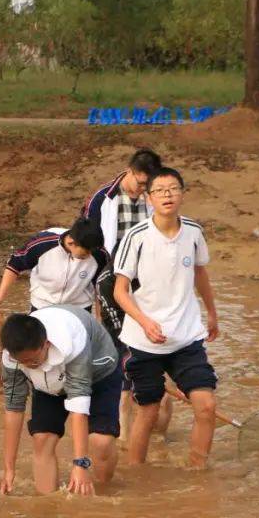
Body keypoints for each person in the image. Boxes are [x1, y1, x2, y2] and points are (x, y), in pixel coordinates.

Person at [113, 167, 220, 468]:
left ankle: (197, 474)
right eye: (160, 190)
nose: (167, 195)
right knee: (147, 410)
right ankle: (137, 475)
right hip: (143, 340)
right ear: (149, 199)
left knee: (206, 406)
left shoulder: (194, 232)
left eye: (173, 188)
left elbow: (200, 273)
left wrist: (212, 313)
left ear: (182, 194)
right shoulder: (136, 237)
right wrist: (145, 322)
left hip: (186, 337)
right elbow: (120, 291)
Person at [82, 147, 173, 439]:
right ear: (129, 171)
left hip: (145, 280)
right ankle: (119, 424)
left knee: (151, 341)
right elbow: (89, 245)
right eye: (140, 182)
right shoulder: (103, 199)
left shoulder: (155, 200)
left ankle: (155, 429)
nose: (143, 190)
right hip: (109, 280)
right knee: (117, 343)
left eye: (150, 185)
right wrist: (95, 297)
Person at [0, 307, 123, 497]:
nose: (27, 366)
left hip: (98, 374)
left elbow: (78, 408)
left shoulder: (73, 341)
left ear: (46, 344)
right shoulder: (12, 357)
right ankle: (47, 508)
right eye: (21, 362)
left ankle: (103, 495)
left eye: (32, 361)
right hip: (48, 384)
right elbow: (13, 409)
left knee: (101, 442)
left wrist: (80, 463)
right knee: (42, 439)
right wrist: (9, 469)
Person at [0, 217, 108, 313]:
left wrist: (99, 321)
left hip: (79, 308)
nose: (89, 255)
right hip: (42, 305)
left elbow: (100, 289)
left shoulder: (98, 254)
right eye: (86, 251)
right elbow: (14, 265)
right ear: (71, 243)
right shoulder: (42, 243)